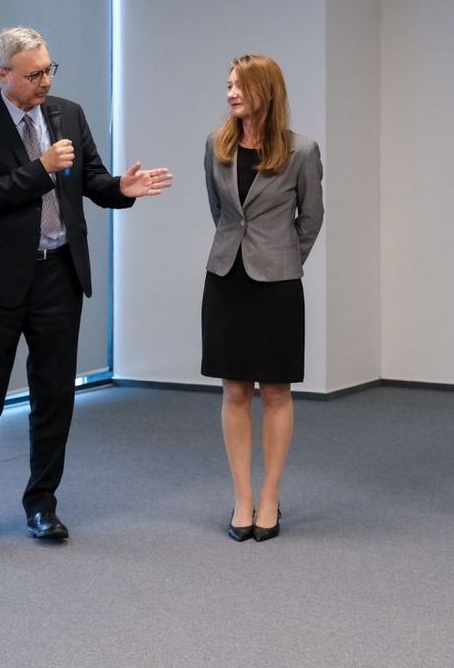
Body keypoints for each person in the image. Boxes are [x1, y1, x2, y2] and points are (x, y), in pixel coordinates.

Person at [0, 26, 172, 554]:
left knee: (54, 398)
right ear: (3, 74)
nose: (45, 81)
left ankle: (42, 504)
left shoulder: (68, 113)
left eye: (49, 70)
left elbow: (92, 180)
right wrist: (40, 170)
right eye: (34, 74)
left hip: (59, 275)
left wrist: (122, 189)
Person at [202, 54, 324, 543]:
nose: (231, 93)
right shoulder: (216, 145)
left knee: (275, 391)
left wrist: (282, 259)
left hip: (277, 285)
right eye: (228, 84)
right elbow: (220, 212)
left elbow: (311, 219)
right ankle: (242, 496)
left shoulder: (302, 151)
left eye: (240, 85)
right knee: (234, 390)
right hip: (225, 279)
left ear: (265, 92)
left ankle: (270, 495)